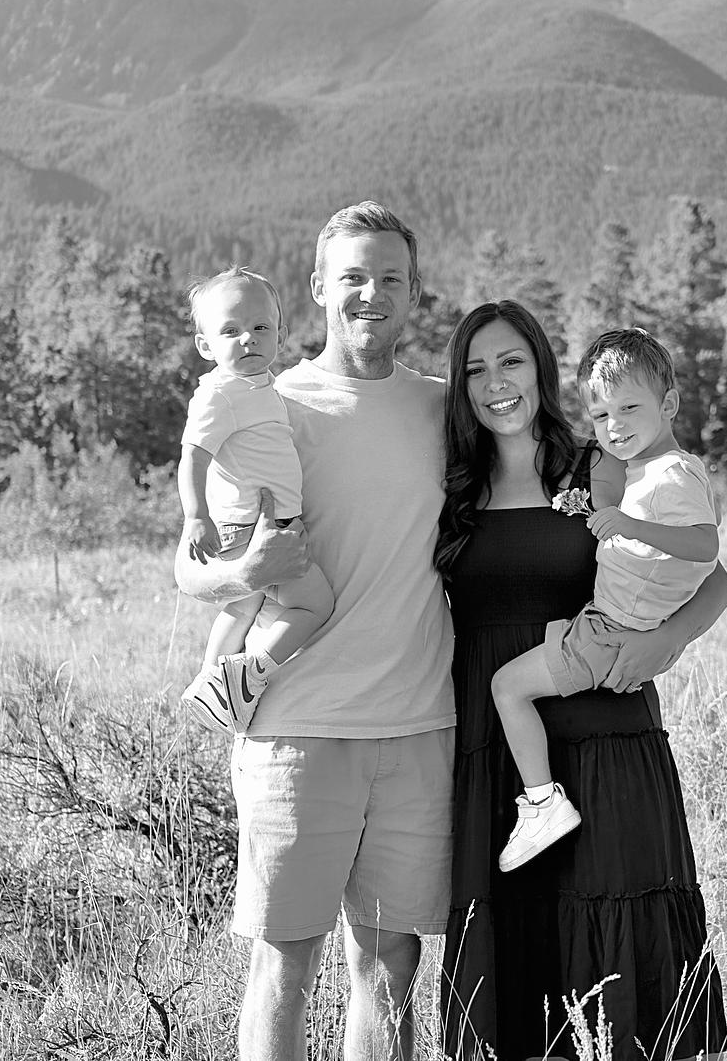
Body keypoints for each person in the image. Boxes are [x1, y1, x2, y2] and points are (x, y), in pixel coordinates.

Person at [173, 203, 454, 1061]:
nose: (372, 293)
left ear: (414, 292)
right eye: (353, 277)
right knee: (284, 968)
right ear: (318, 288)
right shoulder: (267, 400)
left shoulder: (445, 411)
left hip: (417, 729)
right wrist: (241, 575)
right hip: (295, 730)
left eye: (391, 277)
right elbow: (191, 569)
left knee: (391, 969)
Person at [434, 300, 727, 1061]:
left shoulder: (599, 462)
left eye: (512, 362)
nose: (496, 383)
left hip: (607, 734)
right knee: (517, 952)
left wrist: (667, 640)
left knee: (619, 943)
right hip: (500, 749)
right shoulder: (452, 485)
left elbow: (713, 574)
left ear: (542, 367)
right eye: (476, 369)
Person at [490, 328, 719, 871]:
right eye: (600, 415)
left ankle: (542, 804)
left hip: (610, 635)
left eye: (629, 409)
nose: (614, 426)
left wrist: (630, 527)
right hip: (603, 624)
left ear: (669, 405)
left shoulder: (672, 473)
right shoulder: (644, 470)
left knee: (508, 688)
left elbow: (706, 549)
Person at [178, 265, 334, 732]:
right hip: (253, 527)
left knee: (243, 606)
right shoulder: (220, 394)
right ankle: (251, 673)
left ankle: (212, 679)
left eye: (260, 327)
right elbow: (193, 457)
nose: (248, 338)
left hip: (256, 523)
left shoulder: (261, 386)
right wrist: (195, 516)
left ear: (280, 336)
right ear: (206, 346)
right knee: (315, 605)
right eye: (231, 331)